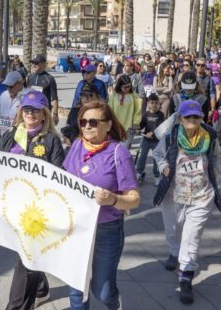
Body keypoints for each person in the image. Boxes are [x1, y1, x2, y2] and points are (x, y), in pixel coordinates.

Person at [63, 100, 140, 309]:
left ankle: (114, 302)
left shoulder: (118, 153)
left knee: (102, 292)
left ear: (107, 124)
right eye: (83, 121)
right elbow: (62, 178)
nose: (87, 126)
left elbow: (134, 198)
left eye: (94, 122)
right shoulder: (77, 145)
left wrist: (112, 199)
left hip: (107, 229)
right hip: (76, 226)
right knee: (77, 290)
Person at [0, 91, 65, 310]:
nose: (30, 113)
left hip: (38, 212)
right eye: (27, 109)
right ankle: (42, 287)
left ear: (44, 114)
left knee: (24, 261)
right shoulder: (9, 135)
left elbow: (59, 176)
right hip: (14, 208)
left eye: (36, 110)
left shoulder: (52, 140)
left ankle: (16, 307)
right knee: (28, 257)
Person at [153, 100, 221, 304]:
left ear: (201, 118)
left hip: (202, 195)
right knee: (173, 229)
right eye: (188, 117)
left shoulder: (210, 137)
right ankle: (174, 251)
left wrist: (216, 172)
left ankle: (186, 276)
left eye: (196, 117)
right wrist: (164, 165)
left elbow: (216, 158)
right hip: (174, 194)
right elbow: (157, 153)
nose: (192, 120)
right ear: (180, 119)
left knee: (191, 238)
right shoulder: (171, 136)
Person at [136, 94, 164, 185]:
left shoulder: (161, 115)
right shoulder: (146, 114)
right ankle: (139, 173)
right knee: (142, 157)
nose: (154, 105)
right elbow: (142, 124)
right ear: (148, 104)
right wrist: (138, 129)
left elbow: (159, 126)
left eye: (156, 103)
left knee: (156, 159)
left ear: (159, 104)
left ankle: (157, 176)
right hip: (145, 140)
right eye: (152, 103)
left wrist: (152, 133)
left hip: (156, 141)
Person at [0, 71, 29, 146]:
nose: (8, 88)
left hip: (19, 140)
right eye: (6, 86)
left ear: (20, 83)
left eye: (11, 86)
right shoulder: (3, 95)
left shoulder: (28, 96)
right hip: (3, 138)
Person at [108, 75, 142, 149]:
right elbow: (109, 110)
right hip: (116, 127)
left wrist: (136, 122)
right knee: (115, 149)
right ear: (120, 86)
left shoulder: (133, 95)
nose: (128, 89)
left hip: (129, 129)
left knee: (124, 149)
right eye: (125, 87)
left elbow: (138, 110)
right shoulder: (114, 95)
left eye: (129, 86)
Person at [27, 54, 59, 125]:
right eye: (33, 63)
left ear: (43, 64)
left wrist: (55, 114)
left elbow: (54, 99)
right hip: (31, 111)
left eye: (36, 63)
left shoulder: (50, 79)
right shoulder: (30, 77)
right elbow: (27, 95)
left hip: (44, 113)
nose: (34, 65)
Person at [195, 57, 216, 123]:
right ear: (195, 66)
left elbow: (212, 95)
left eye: (203, 65)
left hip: (204, 108)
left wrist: (212, 110)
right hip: (191, 106)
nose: (200, 66)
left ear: (205, 67)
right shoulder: (191, 77)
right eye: (198, 65)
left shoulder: (209, 79)